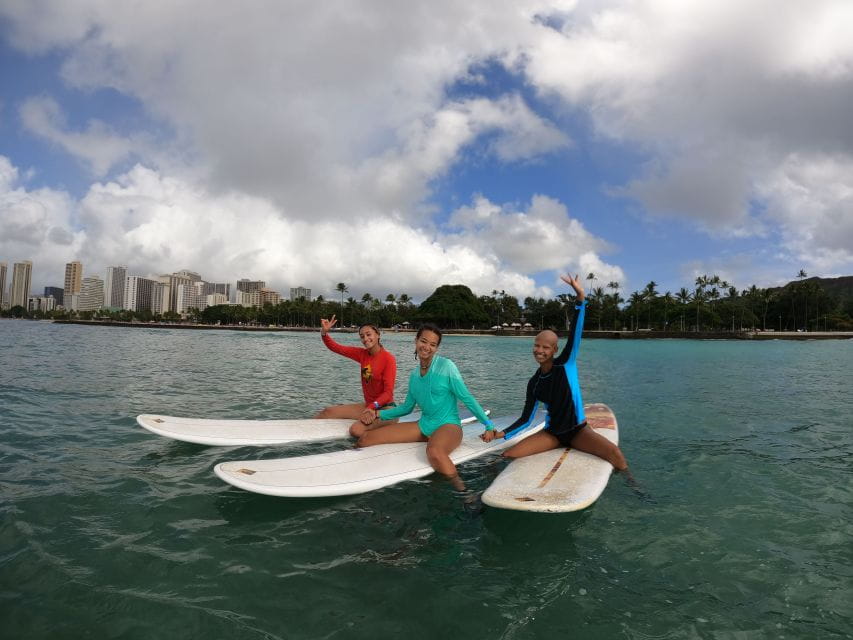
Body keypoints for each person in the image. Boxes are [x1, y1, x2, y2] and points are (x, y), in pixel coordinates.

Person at [481, 274, 629, 473]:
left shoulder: (565, 364)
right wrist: (501, 434)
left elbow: (575, 332)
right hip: (552, 434)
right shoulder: (534, 383)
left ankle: (634, 487)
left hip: (578, 432)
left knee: (615, 455)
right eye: (537, 345)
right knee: (508, 455)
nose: (539, 350)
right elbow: (526, 419)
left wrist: (580, 297)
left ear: (554, 350)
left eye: (546, 347)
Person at [356, 324, 494, 492]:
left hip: (448, 425)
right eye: (423, 341)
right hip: (424, 425)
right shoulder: (414, 376)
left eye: (433, 344)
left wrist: (488, 425)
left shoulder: (446, 366)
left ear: (436, 348)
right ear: (416, 341)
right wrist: (377, 413)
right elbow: (406, 408)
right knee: (366, 438)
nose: (427, 347)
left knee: (435, 452)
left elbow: (467, 398)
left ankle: (464, 493)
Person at [316, 314, 398, 437]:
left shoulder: (388, 359)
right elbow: (337, 348)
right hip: (369, 406)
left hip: (386, 409)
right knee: (327, 412)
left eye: (368, 334)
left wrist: (371, 408)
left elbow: (388, 393)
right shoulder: (362, 354)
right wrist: (324, 333)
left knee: (356, 430)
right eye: (362, 336)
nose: (365, 338)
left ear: (378, 335)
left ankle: (388, 427)